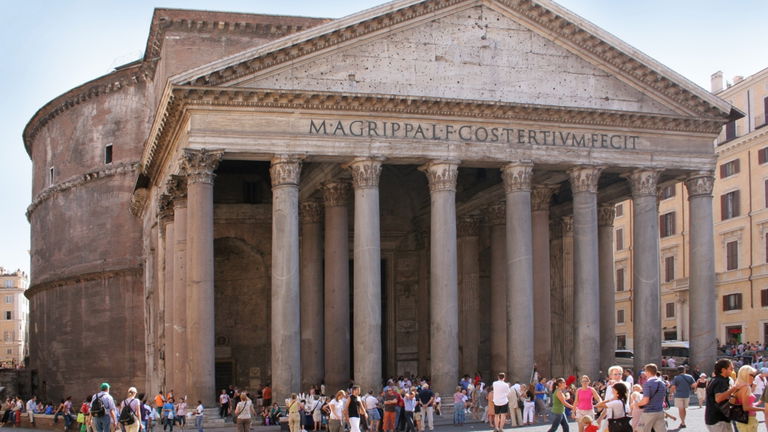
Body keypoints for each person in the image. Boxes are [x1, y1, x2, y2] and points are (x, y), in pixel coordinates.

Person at [706, 358, 743, 432]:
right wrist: (734, 388)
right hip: (718, 419)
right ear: (723, 370)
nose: (733, 370)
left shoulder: (714, 379)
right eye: (731, 368)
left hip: (716, 418)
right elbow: (718, 398)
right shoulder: (720, 381)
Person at [636, 364, 666, 432]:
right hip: (660, 410)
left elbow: (645, 400)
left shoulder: (648, 384)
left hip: (649, 412)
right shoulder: (662, 383)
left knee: (642, 430)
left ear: (648, 372)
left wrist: (637, 404)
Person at [733, 365, 761, 432]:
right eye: (752, 376)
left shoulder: (738, 386)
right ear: (745, 375)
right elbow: (746, 407)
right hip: (748, 419)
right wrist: (763, 409)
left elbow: (744, 403)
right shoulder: (745, 388)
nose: (754, 378)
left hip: (742, 419)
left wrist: (758, 402)